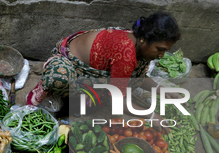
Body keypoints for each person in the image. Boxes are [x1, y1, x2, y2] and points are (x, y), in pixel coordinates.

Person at [26, 12, 185, 132]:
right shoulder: (126, 55)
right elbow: (116, 101)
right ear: (144, 40)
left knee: (114, 89)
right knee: (61, 79)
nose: (162, 55)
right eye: (160, 49)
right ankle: (43, 88)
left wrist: (162, 91)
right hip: (70, 62)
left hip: (97, 66)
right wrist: (151, 116)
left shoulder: (139, 43)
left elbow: (138, 77)